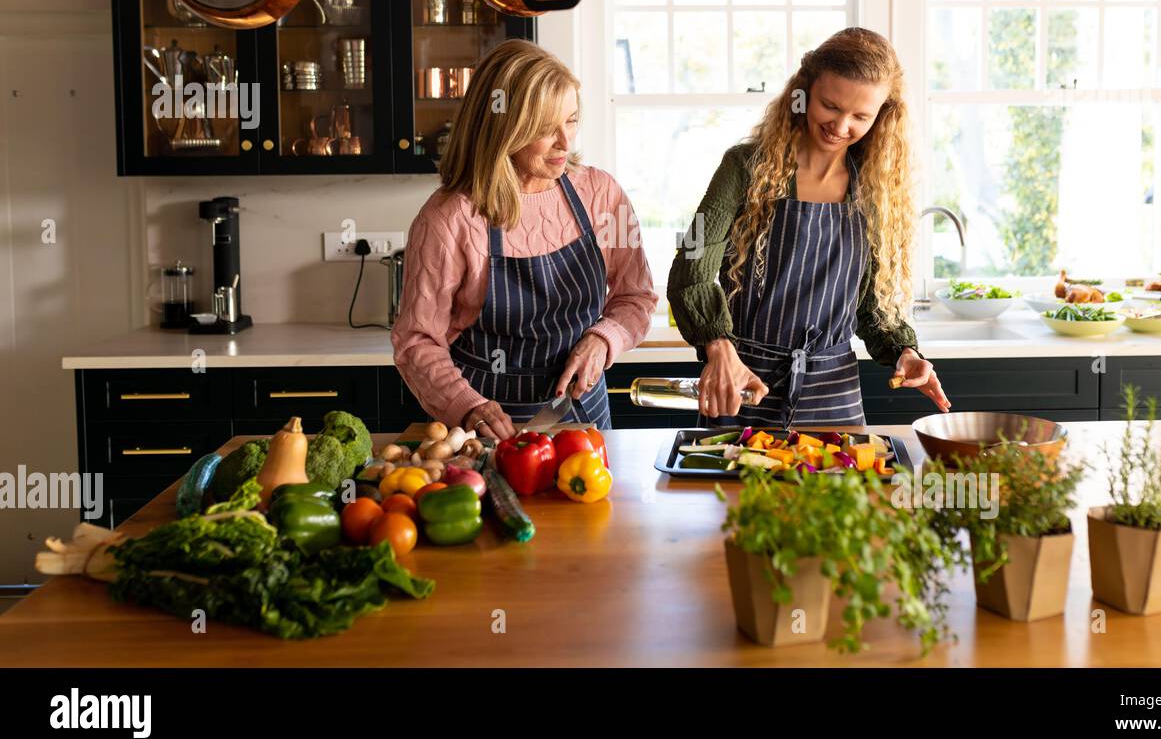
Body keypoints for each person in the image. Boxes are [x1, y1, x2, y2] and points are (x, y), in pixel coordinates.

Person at [666, 28, 949, 428]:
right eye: (830, 106)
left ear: (882, 115)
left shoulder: (875, 190)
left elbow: (871, 308)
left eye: (860, 116)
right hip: (741, 384)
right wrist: (718, 347)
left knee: (838, 492)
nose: (841, 125)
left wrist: (905, 352)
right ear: (804, 92)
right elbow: (691, 265)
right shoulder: (744, 167)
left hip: (834, 394)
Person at [393, 39, 657, 440]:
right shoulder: (450, 218)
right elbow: (416, 341)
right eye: (544, 129)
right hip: (487, 427)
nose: (565, 143)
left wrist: (603, 339)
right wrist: (470, 408)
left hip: (583, 418)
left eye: (570, 120)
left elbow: (635, 297)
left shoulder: (601, 194)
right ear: (503, 127)